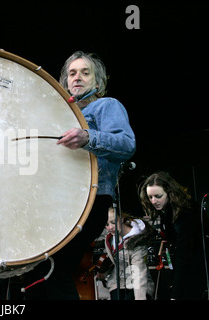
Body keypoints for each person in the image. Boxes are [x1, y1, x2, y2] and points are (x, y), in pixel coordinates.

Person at [22, 51, 136, 299]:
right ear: (65, 82)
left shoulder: (106, 105)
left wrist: (88, 137)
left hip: (90, 199)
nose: (78, 78)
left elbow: (127, 145)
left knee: (52, 270)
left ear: (97, 82)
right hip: (56, 201)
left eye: (86, 73)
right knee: (34, 273)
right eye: (72, 73)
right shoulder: (57, 115)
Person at [138, 172, 208, 300]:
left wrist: (176, 294)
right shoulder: (166, 211)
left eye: (158, 196)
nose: (153, 201)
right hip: (188, 267)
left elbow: (184, 253)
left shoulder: (185, 212)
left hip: (198, 267)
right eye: (150, 197)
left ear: (170, 193)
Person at [101, 207, 155, 300]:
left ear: (122, 219)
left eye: (113, 222)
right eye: (106, 224)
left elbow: (139, 275)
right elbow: (113, 260)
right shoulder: (110, 239)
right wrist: (104, 273)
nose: (110, 227)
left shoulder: (138, 242)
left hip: (137, 283)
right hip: (118, 282)